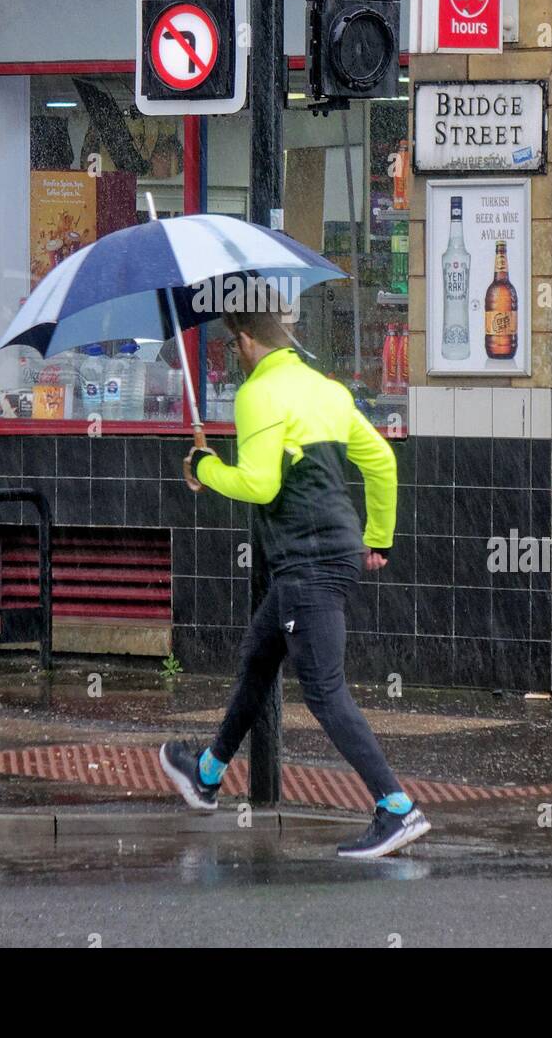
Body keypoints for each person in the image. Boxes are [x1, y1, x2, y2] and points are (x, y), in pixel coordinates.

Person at [159, 303, 430, 860]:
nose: (237, 356)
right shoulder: (327, 390)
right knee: (259, 657)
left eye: (235, 345)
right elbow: (381, 461)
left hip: (307, 566)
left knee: (325, 691)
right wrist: (378, 538)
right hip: (327, 555)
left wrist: (204, 469)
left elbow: (258, 485)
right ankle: (208, 775)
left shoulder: (258, 393)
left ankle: (397, 808)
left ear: (246, 343)